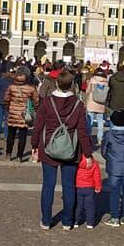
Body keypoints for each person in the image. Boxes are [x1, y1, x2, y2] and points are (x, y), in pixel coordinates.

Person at [31, 71, 92, 230]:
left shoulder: (48, 102)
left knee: (48, 185)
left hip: (49, 147)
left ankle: (46, 220)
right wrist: (88, 153)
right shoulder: (78, 104)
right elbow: (83, 131)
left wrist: (34, 145)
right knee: (69, 187)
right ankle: (67, 221)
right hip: (71, 149)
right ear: (72, 85)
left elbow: (38, 126)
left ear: (56, 84)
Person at [102, 109, 124, 227]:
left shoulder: (109, 134)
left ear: (112, 121)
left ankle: (115, 217)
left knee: (114, 192)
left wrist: (110, 158)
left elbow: (103, 151)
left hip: (113, 167)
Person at [3, 72, 39, 161]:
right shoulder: (31, 88)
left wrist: (8, 107)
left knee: (11, 136)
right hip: (25, 114)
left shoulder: (11, 87)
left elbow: (6, 99)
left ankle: (8, 154)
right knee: (22, 136)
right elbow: (36, 100)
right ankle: (19, 156)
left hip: (13, 113)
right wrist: (34, 109)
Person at [74, 153, 102, 229]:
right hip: (90, 188)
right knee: (90, 206)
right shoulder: (94, 163)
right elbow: (97, 176)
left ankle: (75, 221)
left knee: (78, 205)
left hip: (78, 187)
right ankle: (90, 223)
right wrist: (98, 186)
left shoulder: (77, 162)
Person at [85, 68, 110, 146]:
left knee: (90, 121)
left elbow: (87, 91)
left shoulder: (92, 80)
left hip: (92, 103)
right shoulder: (106, 81)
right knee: (100, 121)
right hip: (101, 103)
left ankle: (89, 137)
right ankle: (100, 138)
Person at [0, 72, 12, 141]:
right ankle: (6, 136)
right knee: (7, 119)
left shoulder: (2, 81)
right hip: (8, 102)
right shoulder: (12, 83)